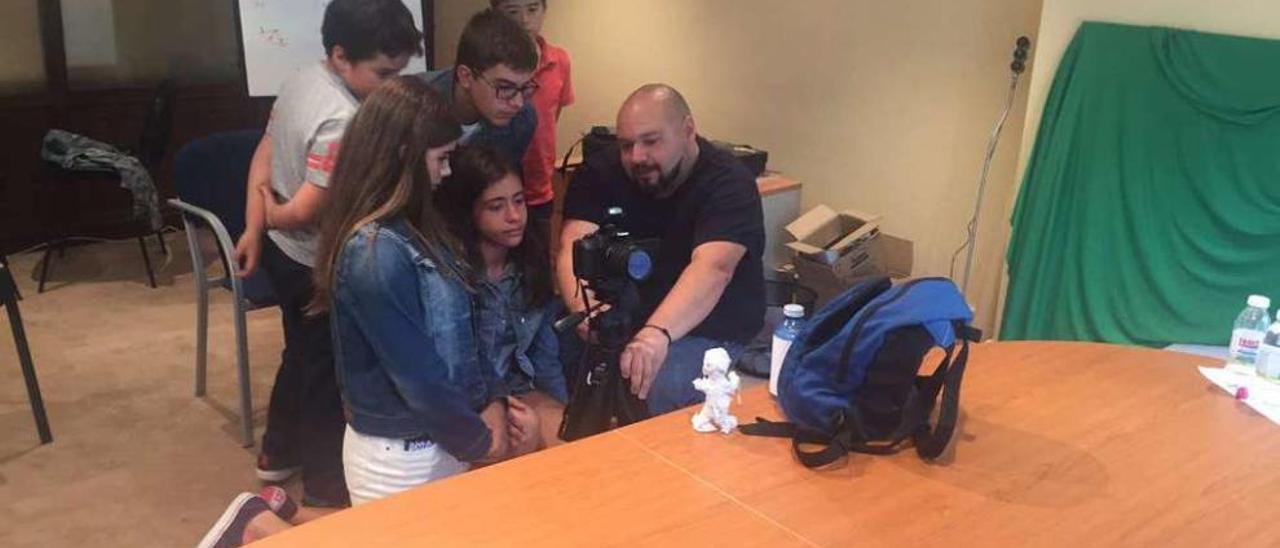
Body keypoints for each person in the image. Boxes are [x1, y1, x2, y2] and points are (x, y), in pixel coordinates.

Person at [199, 76, 524, 547]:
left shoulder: (426, 226)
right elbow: (417, 374)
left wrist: (490, 398)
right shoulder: (372, 252)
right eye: (441, 160)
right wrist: (478, 441)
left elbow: (467, 328)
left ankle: (266, 518)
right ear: (403, 159)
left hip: (443, 437)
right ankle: (258, 530)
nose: (447, 173)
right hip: (403, 455)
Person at [231, 0, 423, 509]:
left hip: (282, 254)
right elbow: (308, 208)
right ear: (341, 57)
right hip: (316, 261)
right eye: (384, 74)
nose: (391, 87)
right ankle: (323, 483)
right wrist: (271, 217)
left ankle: (277, 453)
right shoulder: (343, 119)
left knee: (300, 356)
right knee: (326, 373)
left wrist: (255, 225)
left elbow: (267, 150)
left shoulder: (300, 78)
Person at [557, 84, 766, 416]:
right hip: (620, 313)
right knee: (547, 356)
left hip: (704, 326)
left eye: (651, 141)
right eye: (626, 145)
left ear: (688, 130)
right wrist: (587, 310)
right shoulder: (600, 171)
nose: (637, 157)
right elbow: (573, 242)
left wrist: (655, 335)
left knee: (652, 385)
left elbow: (713, 268)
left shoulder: (729, 182)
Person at [435, 144, 568, 449]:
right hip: (472, 398)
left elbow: (544, 352)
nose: (514, 216)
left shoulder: (527, 263)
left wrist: (560, 407)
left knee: (569, 441)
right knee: (505, 445)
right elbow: (458, 368)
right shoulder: (451, 275)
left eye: (519, 201)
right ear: (468, 211)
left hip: (520, 387)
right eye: (496, 206)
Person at [417, 9, 539, 175]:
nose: (518, 102)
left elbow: (496, 186)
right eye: (505, 88)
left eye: (525, 87)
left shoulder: (522, 119)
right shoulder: (411, 104)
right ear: (466, 76)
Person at [492, 0, 575, 243]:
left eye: (532, 9)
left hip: (540, 185)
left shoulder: (559, 61)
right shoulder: (489, 63)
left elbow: (552, 116)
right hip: (497, 185)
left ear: (543, 10)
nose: (524, 20)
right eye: (512, 11)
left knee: (538, 265)